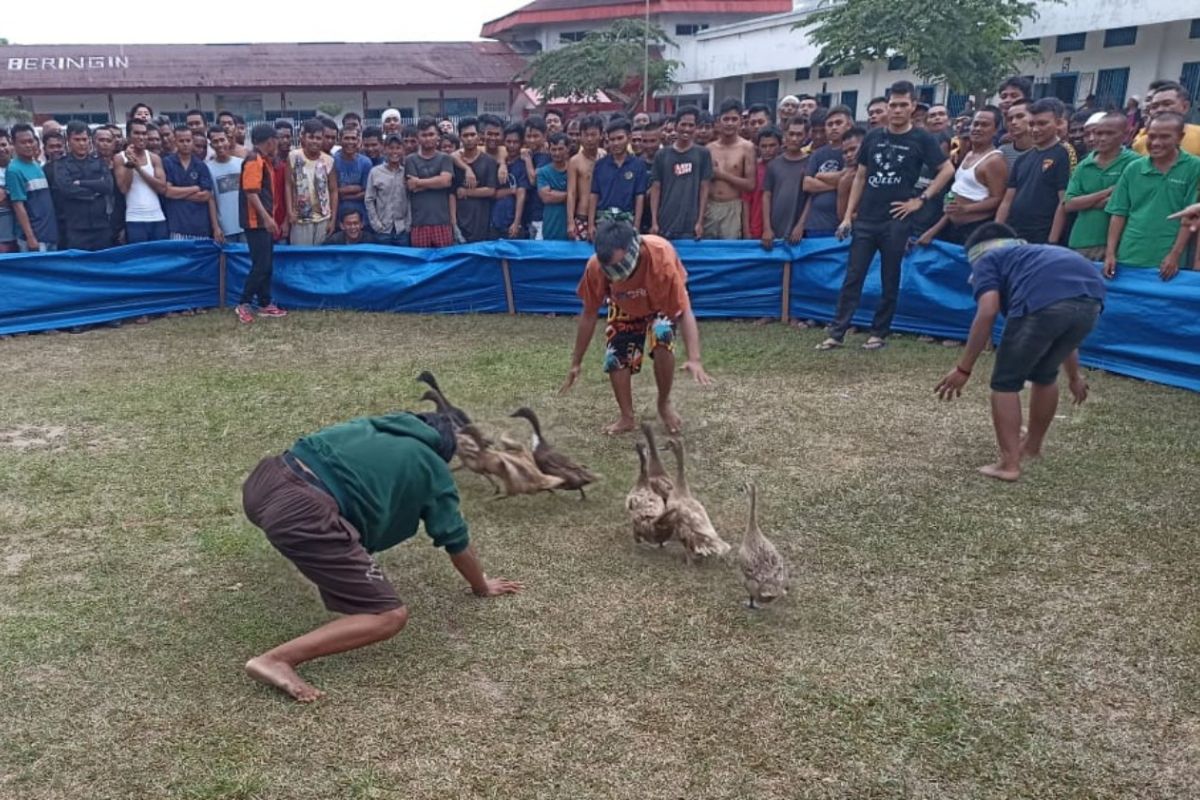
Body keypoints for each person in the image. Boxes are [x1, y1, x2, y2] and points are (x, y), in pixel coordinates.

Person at [240, 409, 522, 702]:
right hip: (302, 514)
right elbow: (457, 540)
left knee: (337, 524)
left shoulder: (371, 426)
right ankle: (275, 660)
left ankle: (322, 554)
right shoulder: (432, 466)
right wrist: (481, 585)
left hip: (262, 484)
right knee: (388, 616)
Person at [935, 223, 1104, 482]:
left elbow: (988, 310)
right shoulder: (1036, 254)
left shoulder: (987, 258)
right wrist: (1073, 376)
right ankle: (1032, 447)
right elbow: (1064, 319)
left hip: (1042, 303)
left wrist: (963, 368)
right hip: (1092, 298)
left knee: (1005, 383)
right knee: (1045, 375)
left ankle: (1009, 464)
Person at [818, 82, 954, 351]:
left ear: (913, 106)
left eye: (904, 105)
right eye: (893, 105)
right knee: (853, 276)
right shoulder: (873, 136)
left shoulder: (922, 138)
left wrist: (921, 199)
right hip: (867, 218)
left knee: (889, 277)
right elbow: (860, 175)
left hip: (897, 219)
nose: (898, 110)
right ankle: (836, 332)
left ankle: (878, 333)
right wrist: (847, 216)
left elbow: (947, 169)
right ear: (887, 106)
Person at [561, 218, 713, 435]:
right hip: (625, 306)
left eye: (621, 267)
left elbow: (684, 309)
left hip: (660, 301)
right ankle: (626, 416)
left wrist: (694, 358)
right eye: (611, 270)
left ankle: (664, 403)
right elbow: (589, 314)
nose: (618, 275)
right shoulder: (595, 268)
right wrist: (576, 362)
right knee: (616, 356)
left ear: (634, 248)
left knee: (662, 338)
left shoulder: (661, 259)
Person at [1104, 113, 1200, 280]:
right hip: (1129, 255)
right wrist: (1110, 253)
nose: (1156, 142)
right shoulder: (1133, 168)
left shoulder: (1194, 168)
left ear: (1180, 137)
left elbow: (1190, 218)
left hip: (1167, 261)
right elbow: (1118, 214)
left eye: (1164, 137)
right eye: (1152, 136)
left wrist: (1174, 255)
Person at [917, 107, 1008, 246]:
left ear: (995, 130)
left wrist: (966, 209)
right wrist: (933, 231)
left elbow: (998, 199)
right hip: (952, 228)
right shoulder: (968, 155)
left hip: (974, 229)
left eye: (984, 125)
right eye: (975, 124)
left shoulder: (994, 161)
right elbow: (956, 195)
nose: (977, 128)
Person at [1063, 112, 1139, 262]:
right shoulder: (1084, 165)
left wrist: (1086, 202)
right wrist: (1108, 192)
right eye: (1098, 133)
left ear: (1125, 135)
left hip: (1120, 244)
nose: (1102, 138)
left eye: (1109, 133)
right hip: (1081, 241)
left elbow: (1130, 203)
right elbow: (1069, 204)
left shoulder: (1136, 163)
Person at [995, 99, 1071, 245]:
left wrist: (1052, 241)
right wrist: (996, 230)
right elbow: (1007, 200)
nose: (1035, 129)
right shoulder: (1023, 159)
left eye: (1042, 124)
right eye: (1031, 124)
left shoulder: (1065, 154)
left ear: (1059, 123)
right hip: (1015, 234)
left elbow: (1064, 201)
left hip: (1042, 237)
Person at [235, 123, 286, 323]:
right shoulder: (253, 160)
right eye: (276, 140)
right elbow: (251, 192)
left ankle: (265, 303)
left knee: (266, 264)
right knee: (261, 265)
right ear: (270, 141)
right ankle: (244, 303)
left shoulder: (263, 160)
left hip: (261, 221)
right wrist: (267, 218)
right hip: (255, 221)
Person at [50, 121, 116, 251]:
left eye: (84, 139)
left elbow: (108, 186)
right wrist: (95, 191)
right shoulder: (61, 165)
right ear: (68, 141)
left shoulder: (99, 161)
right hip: (76, 228)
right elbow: (67, 189)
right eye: (77, 139)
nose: (81, 143)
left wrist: (81, 183)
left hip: (101, 226)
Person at [650, 106, 713, 240]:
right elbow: (656, 189)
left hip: (691, 223)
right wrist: (654, 222)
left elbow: (704, 189)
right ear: (676, 126)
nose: (687, 129)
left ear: (696, 127)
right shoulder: (662, 155)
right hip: (665, 221)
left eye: (691, 125)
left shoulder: (703, 154)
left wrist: (700, 222)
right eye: (683, 124)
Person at [705, 98, 756, 240]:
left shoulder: (747, 148)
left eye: (734, 119)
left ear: (741, 121)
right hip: (710, 206)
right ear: (718, 121)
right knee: (708, 251)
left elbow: (750, 185)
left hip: (732, 207)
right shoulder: (709, 148)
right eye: (726, 119)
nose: (730, 123)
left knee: (729, 251)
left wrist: (722, 175)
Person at [588, 119, 649, 237]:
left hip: (627, 219)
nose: (615, 143)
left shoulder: (638, 165)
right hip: (604, 219)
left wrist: (636, 226)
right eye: (612, 139)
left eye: (620, 138)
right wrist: (591, 225)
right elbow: (594, 195)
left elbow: (639, 197)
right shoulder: (600, 165)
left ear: (629, 138)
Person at [799, 105, 853, 238]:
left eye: (838, 123)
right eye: (830, 124)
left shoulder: (855, 151)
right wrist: (841, 181)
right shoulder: (817, 154)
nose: (834, 127)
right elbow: (807, 184)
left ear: (849, 125)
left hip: (843, 223)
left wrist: (821, 176)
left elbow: (853, 176)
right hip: (816, 223)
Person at [161, 127, 222, 243]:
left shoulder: (201, 166)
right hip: (177, 227)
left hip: (200, 227)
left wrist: (177, 193)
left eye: (188, 141)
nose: (185, 144)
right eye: (181, 141)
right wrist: (195, 188)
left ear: (192, 142)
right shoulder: (168, 162)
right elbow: (168, 192)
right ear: (175, 141)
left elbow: (205, 196)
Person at [114, 119, 169, 244]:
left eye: (144, 134)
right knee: (140, 259)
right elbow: (123, 189)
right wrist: (130, 164)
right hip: (134, 219)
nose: (142, 137)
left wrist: (138, 168)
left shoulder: (154, 158)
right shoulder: (119, 158)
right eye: (137, 133)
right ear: (128, 137)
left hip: (158, 217)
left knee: (160, 258)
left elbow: (162, 188)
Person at [5, 125, 58, 252]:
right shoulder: (14, 170)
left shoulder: (36, 165)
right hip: (34, 237)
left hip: (49, 233)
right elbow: (18, 205)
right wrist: (30, 237)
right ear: (14, 144)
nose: (28, 145)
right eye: (23, 142)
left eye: (31, 141)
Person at [404, 116, 455, 248]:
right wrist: (436, 182)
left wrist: (420, 182)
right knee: (421, 265)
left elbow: (445, 181)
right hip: (419, 223)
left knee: (444, 263)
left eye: (431, 134)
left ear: (438, 136)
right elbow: (412, 186)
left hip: (443, 222)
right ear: (418, 137)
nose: (428, 138)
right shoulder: (410, 159)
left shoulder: (445, 158)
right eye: (424, 135)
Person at [287, 118, 338, 246]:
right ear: (303, 137)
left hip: (323, 217)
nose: (315, 141)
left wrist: (332, 219)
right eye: (311, 137)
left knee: (319, 256)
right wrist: (290, 212)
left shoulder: (328, 160)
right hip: (300, 218)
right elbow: (288, 185)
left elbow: (333, 190)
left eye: (318, 138)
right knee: (301, 255)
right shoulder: (294, 156)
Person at [760, 117, 809, 248]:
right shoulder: (773, 165)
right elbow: (766, 196)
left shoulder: (810, 162)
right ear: (784, 135)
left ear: (806, 136)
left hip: (798, 228)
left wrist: (801, 225)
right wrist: (766, 227)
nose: (794, 138)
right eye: (791, 134)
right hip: (775, 225)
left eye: (799, 134)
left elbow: (811, 198)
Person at [452, 117, 499, 243]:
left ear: (479, 136)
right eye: (465, 135)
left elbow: (491, 190)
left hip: (482, 222)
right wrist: (453, 223)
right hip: (460, 221)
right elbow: (452, 194)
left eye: (472, 134)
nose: (469, 138)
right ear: (460, 137)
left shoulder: (489, 161)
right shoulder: (454, 162)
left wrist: (466, 192)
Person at [365, 134, 411, 246]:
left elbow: (410, 199)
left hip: (402, 230)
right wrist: (376, 224)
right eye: (391, 148)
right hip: (383, 229)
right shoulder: (375, 172)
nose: (394, 151)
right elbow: (369, 200)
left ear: (403, 150)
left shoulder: (407, 172)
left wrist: (408, 224)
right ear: (384, 149)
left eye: (398, 148)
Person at [1132, 83, 1200, 157]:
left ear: (1185, 107)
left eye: (1167, 104)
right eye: (1154, 106)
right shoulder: (1142, 140)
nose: (1160, 109)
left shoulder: (1198, 135)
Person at [565, 116, 603, 241]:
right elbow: (571, 193)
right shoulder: (575, 161)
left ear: (601, 135)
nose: (589, 139)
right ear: (580, 136)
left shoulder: (605, 157)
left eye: (593, 135)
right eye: (586, 135)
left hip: (603, 215)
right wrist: (570, 222)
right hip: (583, 214)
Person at [206, 127, 245, 243]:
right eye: (215, 141)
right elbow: (211, 199)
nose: (219, 144)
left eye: (222, 140)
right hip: (225, 228)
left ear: (228, 140)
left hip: (245, 225)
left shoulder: (241, 164)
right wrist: (216, 227)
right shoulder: (208, 168)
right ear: (211, 145)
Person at [743, 126, 780, 241]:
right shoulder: (753, 170)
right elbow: (746, 202)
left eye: (772, 145)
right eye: (764, 146)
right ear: (757, 148)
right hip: (755, 230)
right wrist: (746, 231)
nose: (768, 150)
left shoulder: (786, 168)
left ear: (781, 145)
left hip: (780, 228)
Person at [491, 123, 528, 240]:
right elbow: (493, 193)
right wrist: (512, 191)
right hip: (495, 221)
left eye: (515, 142)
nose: (512, 145)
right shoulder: (498, 164)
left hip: (515, 223)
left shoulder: (524, 165)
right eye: (508, 141)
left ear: (522, 143)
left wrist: (516, 223)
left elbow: (521, 194)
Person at [333, 127, 373, 228]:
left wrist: (345, 195)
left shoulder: (366, 163)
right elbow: (330, 191)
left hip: (361, 217)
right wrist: (354, 188)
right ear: (339, 140)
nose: (350, 142)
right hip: (338, 217)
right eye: (346, 138)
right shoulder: (332, 161)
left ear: (358, 141)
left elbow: (368, 193)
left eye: (353, 138)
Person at [536, 132, 571, 240]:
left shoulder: (574, 169)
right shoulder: (543, 172)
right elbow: (546, 197)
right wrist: (571, 195)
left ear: (568, 149)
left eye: (560, 149)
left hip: (572, 226)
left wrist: (556, 194)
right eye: (553, 149)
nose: (557, 153)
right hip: (551, 225)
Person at [998, 99, 1033, 170]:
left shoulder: (1044, 152)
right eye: (1010, 119)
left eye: (1020, 116)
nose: (1013, 122)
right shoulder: (1002, 152)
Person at [0, 128, 17, 253]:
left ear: (10, 145)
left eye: (3, 144)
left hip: (23, 231)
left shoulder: (19, 167)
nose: (1, 149)